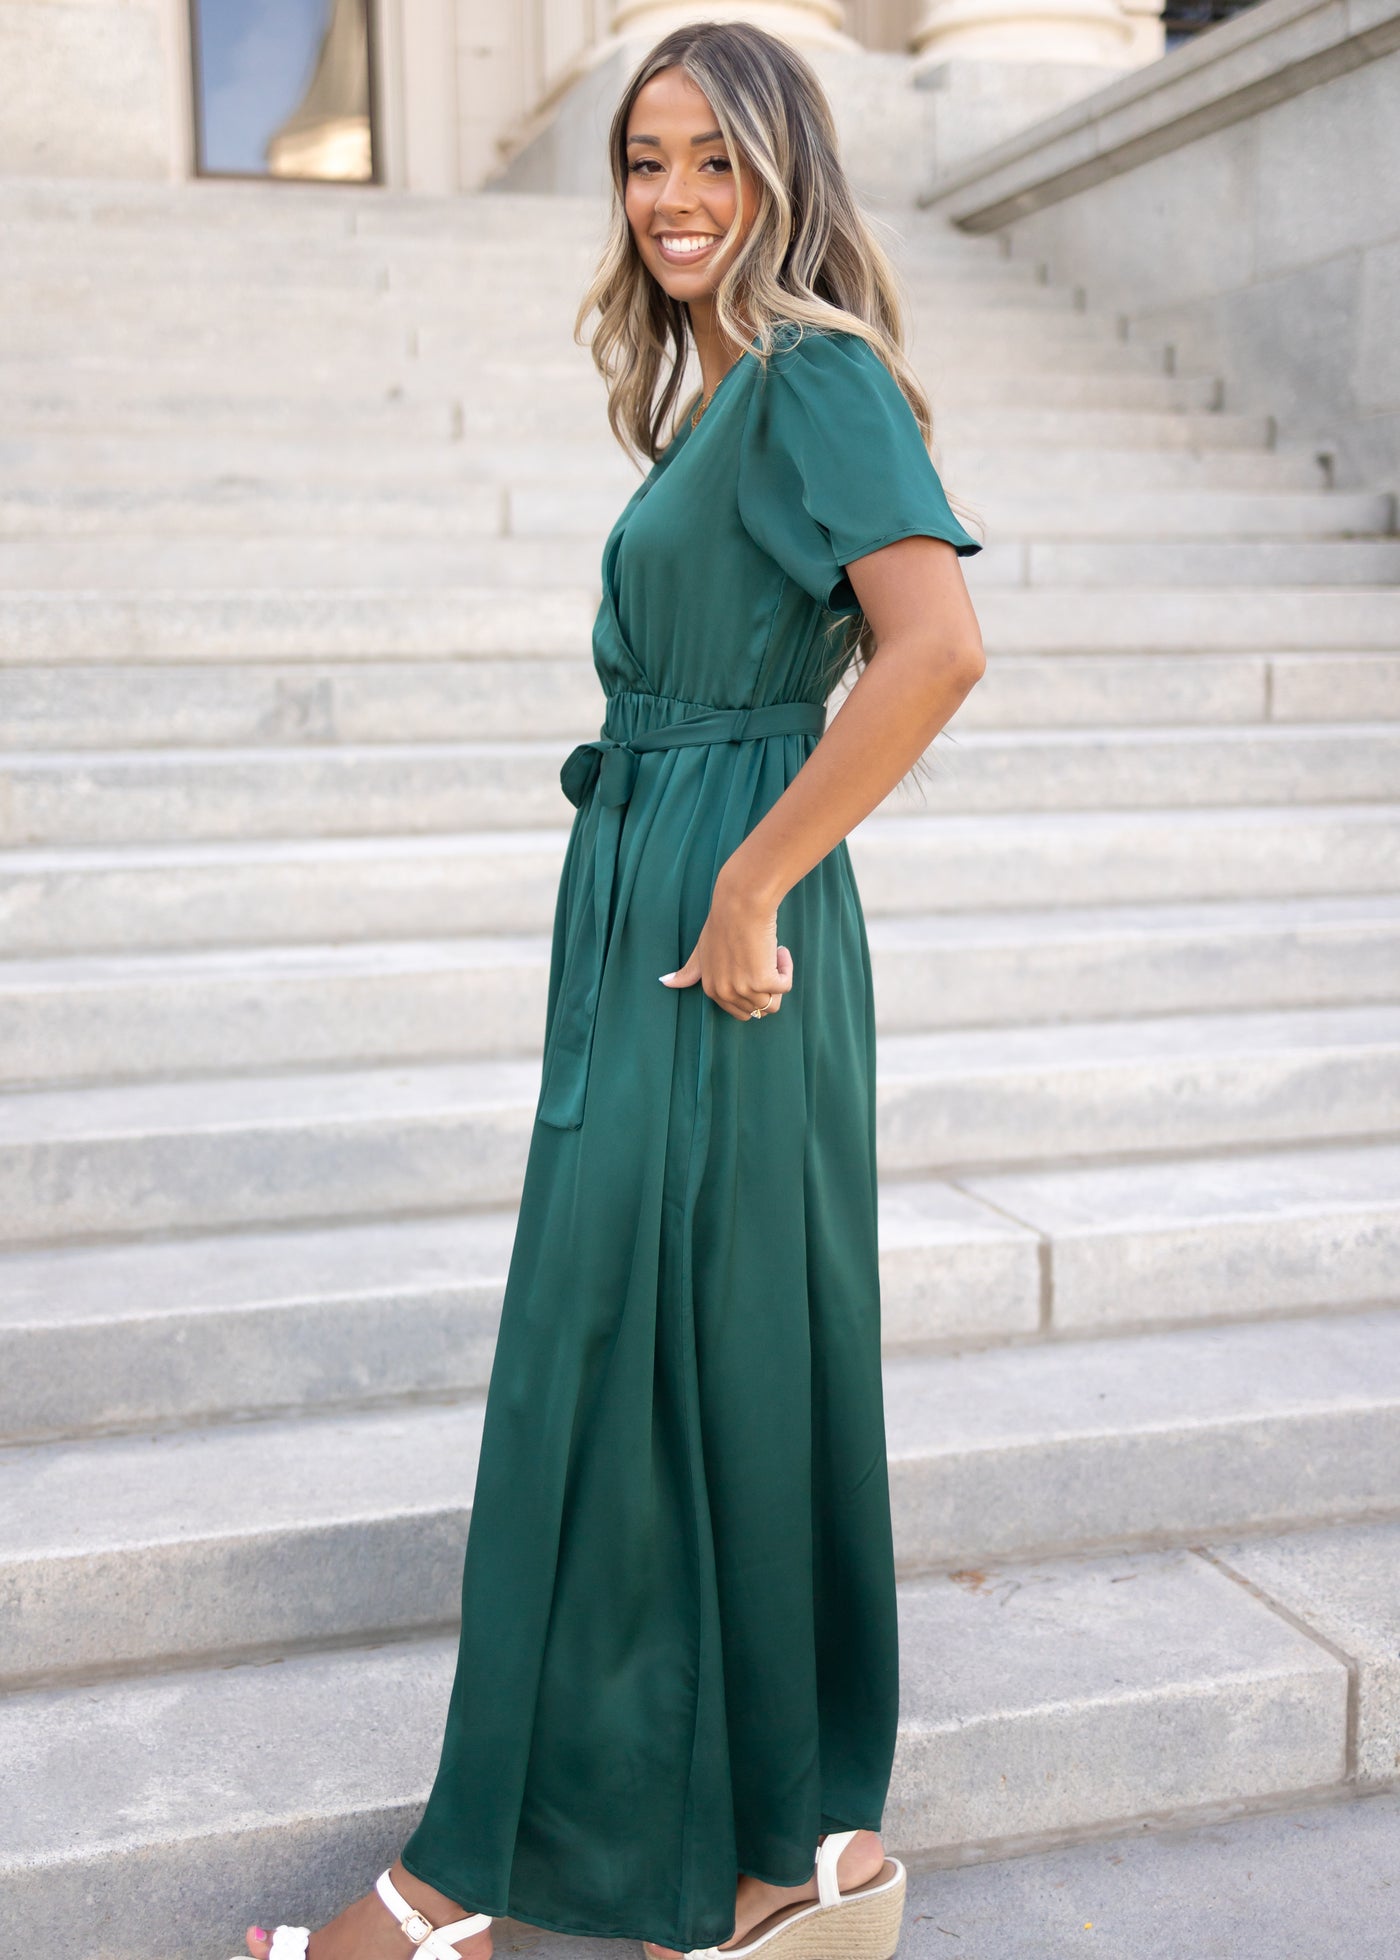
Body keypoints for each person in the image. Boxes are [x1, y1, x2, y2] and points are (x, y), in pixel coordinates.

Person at [235, 20, 983, 1960]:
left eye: (712, 162)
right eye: (644, 159)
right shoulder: (725, 391)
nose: (668, 197)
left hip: (716, 924)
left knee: (609, 1361)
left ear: (784, 177)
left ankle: (465, 1880)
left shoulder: (815, 381)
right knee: (686, 1362)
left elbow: (934, 649)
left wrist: (746, 879)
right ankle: (773, 1854)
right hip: (658, 887)